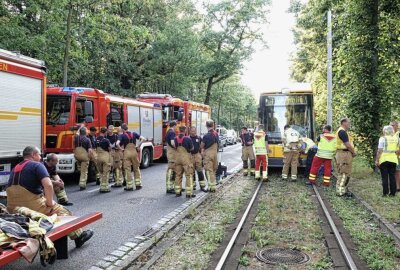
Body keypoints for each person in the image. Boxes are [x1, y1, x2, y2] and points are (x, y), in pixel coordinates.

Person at [6, 146, 93, 248]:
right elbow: (48, 185)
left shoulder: (15, 168)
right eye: (39, 155)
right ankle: (79, 237)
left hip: (12, 208)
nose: (41, 157)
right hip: (31, 206)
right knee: (62, 211)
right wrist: (50, 203)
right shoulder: (37, 165)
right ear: (33, 155)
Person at [116, 123, 144, 191]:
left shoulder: (122, 135)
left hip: (127, 153)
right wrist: (138, 146)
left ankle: (129, 186)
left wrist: (121, 149)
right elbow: (143, 138)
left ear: (122, 129)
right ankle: (138, 185)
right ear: (127, 128)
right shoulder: (134, 134)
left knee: (127, 169)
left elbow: (117, 143)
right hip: (134, 152)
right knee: (136, 168)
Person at [375, 125, 400, 196]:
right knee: (392, 176)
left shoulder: (383, 138)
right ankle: (393, 193)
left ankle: (385, 193)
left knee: (384, 177)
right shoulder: (397, 138)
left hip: (384, 159)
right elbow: (398, 149)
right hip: (393, 160)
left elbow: (379, 150)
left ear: (384, 131)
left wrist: (377, 160)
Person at [335, 118, 357, 196]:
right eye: (348, 123)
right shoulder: (342, 132)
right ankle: (340, 191)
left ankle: (343, 189)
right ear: (343, 123)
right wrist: (353, 152)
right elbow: (347, 145)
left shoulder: (342, 131)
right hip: (344, 154)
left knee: (345, 172)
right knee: (344, 172)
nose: (349, 124)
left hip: (344, 153)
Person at [174, 126, 195, 198]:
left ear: (179, 130)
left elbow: (174, 147)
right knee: (188, 175)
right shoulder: (187, 139)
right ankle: (189, 193)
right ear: (185, 130)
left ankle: (177, 192)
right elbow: (192, 148)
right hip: (186, 159)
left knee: (178, 175)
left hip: (177, 158)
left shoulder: (175, 138)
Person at [201, 120, 219, 192]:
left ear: (206, 126)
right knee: (214, 170)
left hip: (208, 155)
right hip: (215, 154)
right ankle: (213, 186)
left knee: (208, 171)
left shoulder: (206, 136)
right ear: (213, 125)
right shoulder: (216, 134)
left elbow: (202, 145)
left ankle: (210, 187)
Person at [189, 127, 206, 192]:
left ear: (196, 131)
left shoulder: (199, 138)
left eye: (194, 131)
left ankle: (202, 186)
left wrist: (202, 152)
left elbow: (202, 146)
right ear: (190, 131)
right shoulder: (188, 138)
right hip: (190, 156)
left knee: (200, 171)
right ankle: (193, 186)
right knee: (192, 172)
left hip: (197, 155)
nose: (193, 132)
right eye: (192, 131)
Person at [96, 127, 112, 193]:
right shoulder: (106, 140)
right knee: (106, 172)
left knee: (100, 172)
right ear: (105, 132)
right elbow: (110, 148)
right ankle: (104, 188)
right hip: (105, 157)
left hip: (98, 157)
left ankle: (101, 186)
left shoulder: (96, 139)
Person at [165, 121, 177, 194]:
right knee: (171, 169)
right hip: (172, 153)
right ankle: (169, 188)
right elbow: (172, 143)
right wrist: (177, 148)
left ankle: (171, 186)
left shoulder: (168, 131)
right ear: (174, 125)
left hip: (169, 152)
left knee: (172, 169)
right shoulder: (172, 132)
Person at [390, 121, 400, 191]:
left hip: (398, 156)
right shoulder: (390, 134)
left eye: (393, 125)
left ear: (397, 126)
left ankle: (398, 187)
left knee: (397, 171)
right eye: (390, 125)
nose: (391, 127)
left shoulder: (398, 134)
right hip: (392, 156)